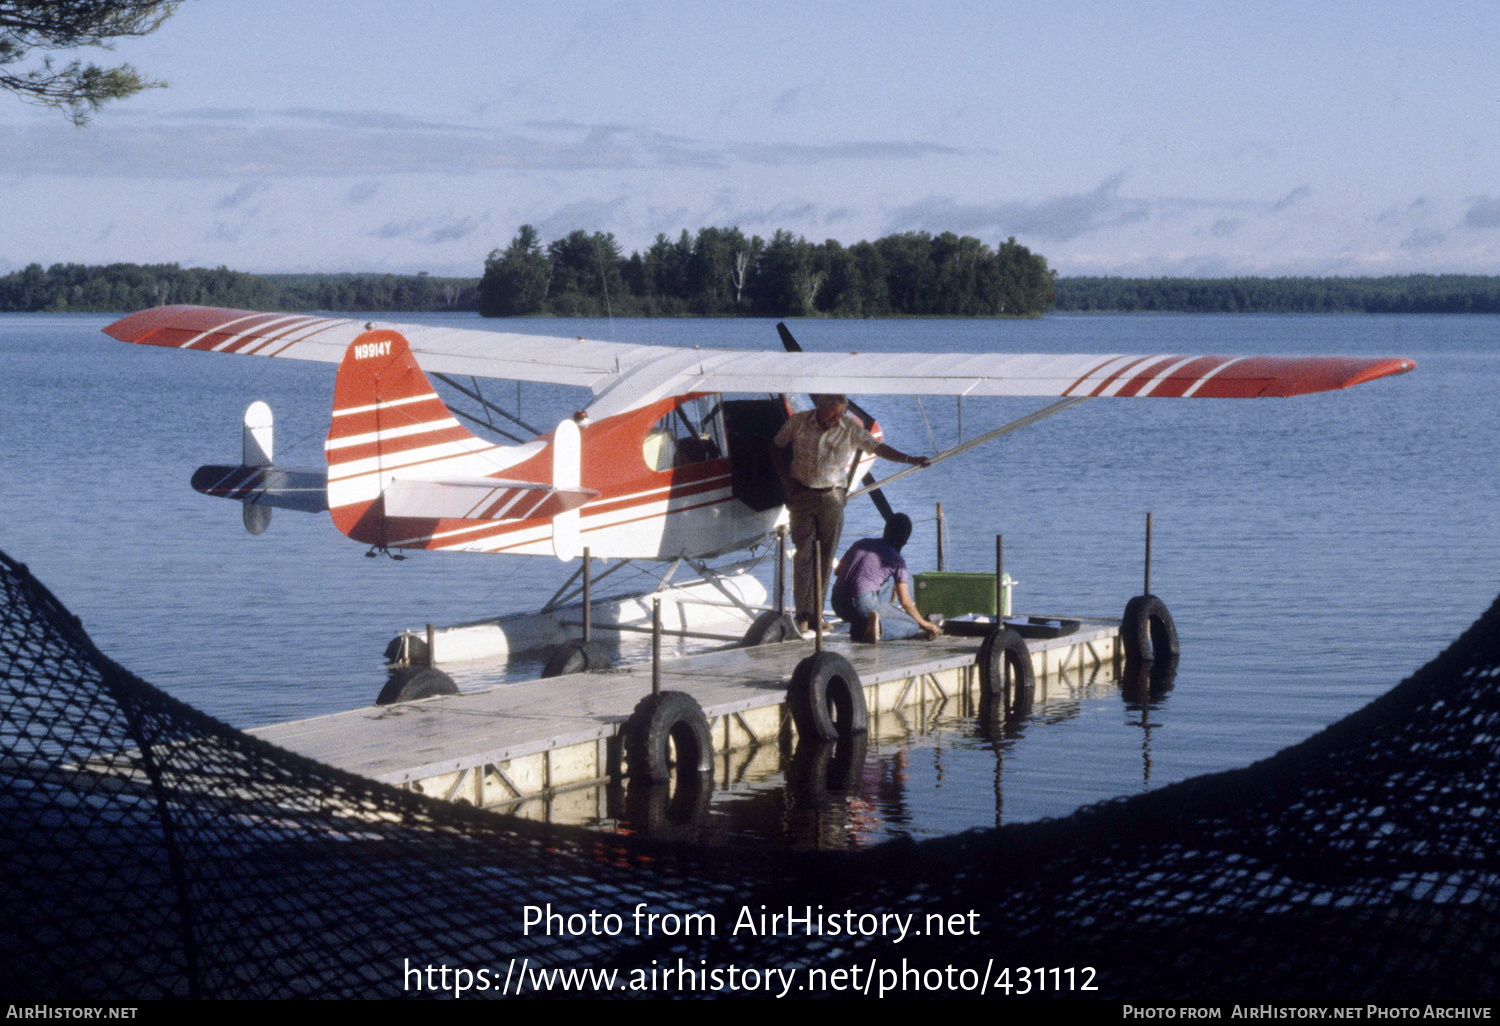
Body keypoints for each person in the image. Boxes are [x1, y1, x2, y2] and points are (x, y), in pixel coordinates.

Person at [773, 393, 929, 633]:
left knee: (826, 557)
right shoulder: (799, 421)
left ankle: (816, 615)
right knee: (803, 556)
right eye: (830, 413)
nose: (835, 418)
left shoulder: (849, 429)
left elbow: (879, 447)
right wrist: (786, 484)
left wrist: (910, 459)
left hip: (832, 497)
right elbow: (776, 446)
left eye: (839, 414)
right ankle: (802, 614)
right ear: (820, 407)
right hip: (801, 495)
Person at [831, 513, 943, 643]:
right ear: (904, 541)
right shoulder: (897, 560)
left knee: (881, 584)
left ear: (885, 531)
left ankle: (860, 627)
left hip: (838, 603)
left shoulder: (861, 543)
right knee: (912, 625)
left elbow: (838, 571)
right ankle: (879, 629)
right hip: (862, 604)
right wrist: (924, 624)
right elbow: (905, 602)